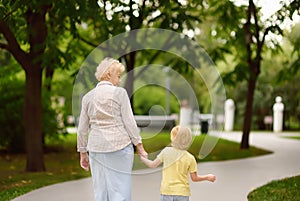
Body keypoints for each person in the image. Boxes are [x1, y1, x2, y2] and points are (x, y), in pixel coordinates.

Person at [77, 57, 148, 201]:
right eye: (118, 76)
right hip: (119, 147)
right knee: (120, 193)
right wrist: (140, 147)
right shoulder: (120, 93)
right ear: (109, 74)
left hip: (96, 149)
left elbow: (81, 130)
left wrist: (83, 153)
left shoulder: (87, 97)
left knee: (101, 193)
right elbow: (129, 122)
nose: (119, 80)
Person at [140, 125, 216, 201]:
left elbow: (153, 165)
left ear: (172, 138)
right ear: (189, 140)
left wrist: (143, 159)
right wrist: (207, 177)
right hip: (182, 193)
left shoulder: (166, 152)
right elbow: (194, 178)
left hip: (167, 191)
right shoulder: (190, 158)